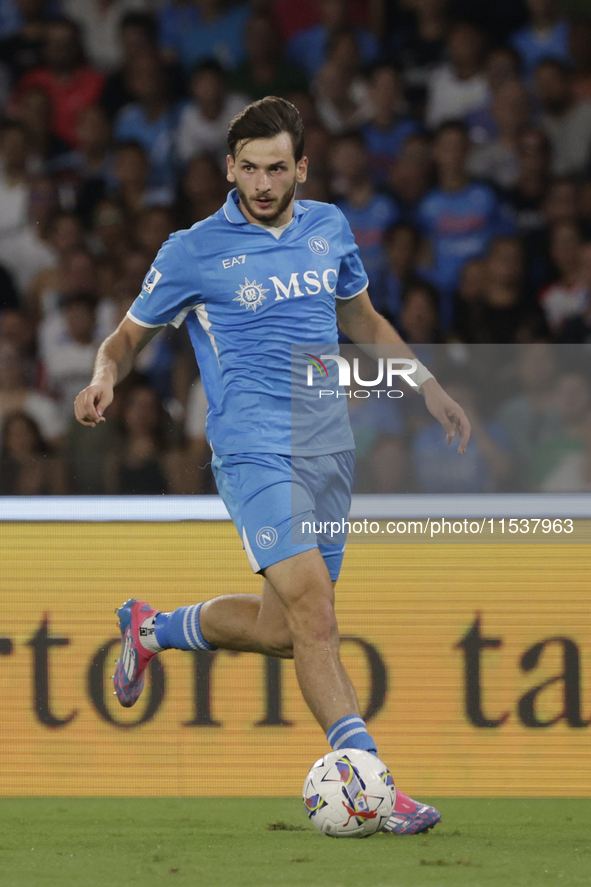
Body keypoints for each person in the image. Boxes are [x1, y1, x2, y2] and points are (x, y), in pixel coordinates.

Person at [74, 96, 470, 836]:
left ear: (301, 169)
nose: (262, 183)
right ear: (229, 168)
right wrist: (104, 376)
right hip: (253, 451)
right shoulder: (192, 249)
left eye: (277, 168)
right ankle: (375, 788)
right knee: (316, 611)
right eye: (249, 168)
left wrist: (427, 386)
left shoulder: (328, 228)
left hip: (328, 450)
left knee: (286, 630)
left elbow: (363, 320)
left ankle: (151, 630)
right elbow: (126, 338)